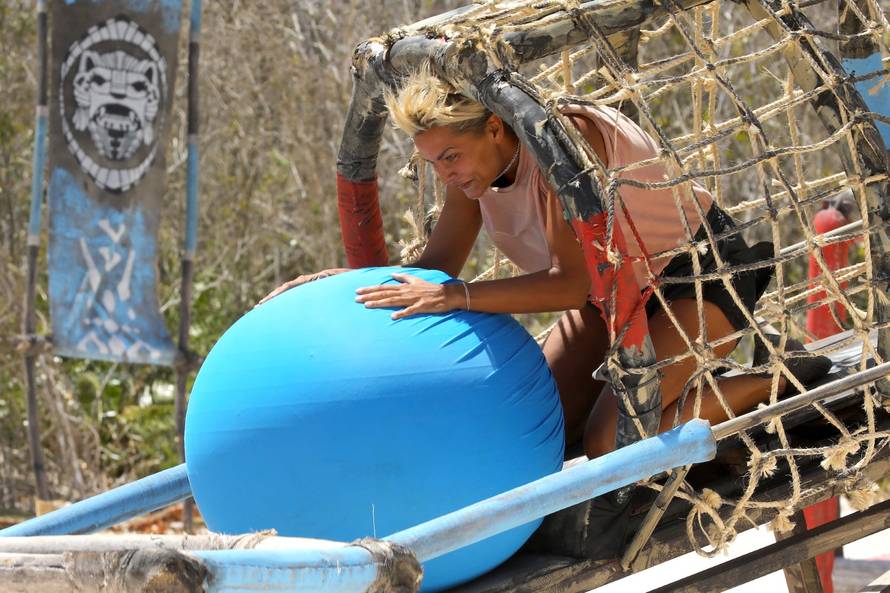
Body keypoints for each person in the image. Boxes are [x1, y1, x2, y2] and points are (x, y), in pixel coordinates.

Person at [261, 68, 831, 460]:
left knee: (610, 441)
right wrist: (336, 284)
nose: (446, 174)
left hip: (696, 275)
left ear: (493, 126)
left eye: (450, 157)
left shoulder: (564, 141)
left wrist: (459, 298)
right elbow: (437, 269)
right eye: (433, 163)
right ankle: (693, 393)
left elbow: (569, 281)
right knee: (538, 430)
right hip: (609, 299)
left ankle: (777, 378)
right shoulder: (473, 173)